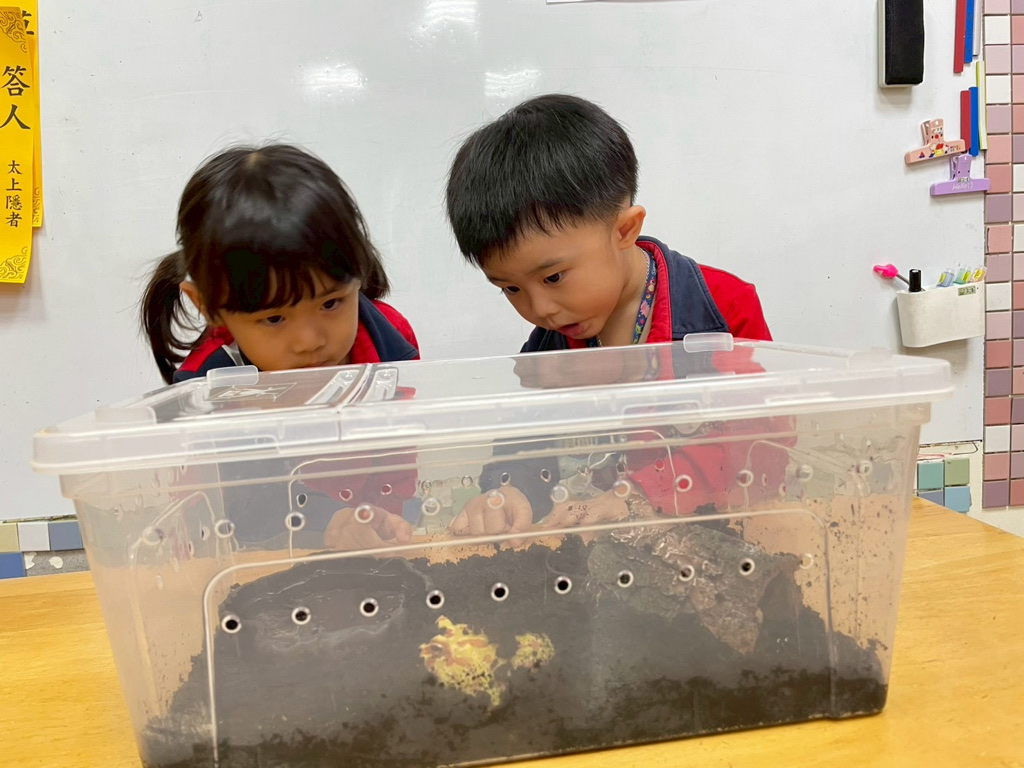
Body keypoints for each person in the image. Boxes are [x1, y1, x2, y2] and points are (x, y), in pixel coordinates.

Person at [444, 94, 780, 535]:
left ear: (624, 230)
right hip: (599, 538)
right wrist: (509, 491)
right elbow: (527, 438)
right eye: (510, 288)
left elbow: (762, 440)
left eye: (554, 277)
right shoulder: (549, 345)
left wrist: (641, 495)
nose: (539, 309)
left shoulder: (721, 308)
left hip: (715, 528)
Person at [140, 143, 419, 550]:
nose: (310, 341)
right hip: (264, 546)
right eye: (273, 319)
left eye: (331, 303)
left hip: (380, 531)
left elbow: (400, 452)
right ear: (208, 307)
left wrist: (387, 517)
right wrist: (329, 524)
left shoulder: (390, 340)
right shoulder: (212, 384)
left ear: (357, 275)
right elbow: (241, 507)